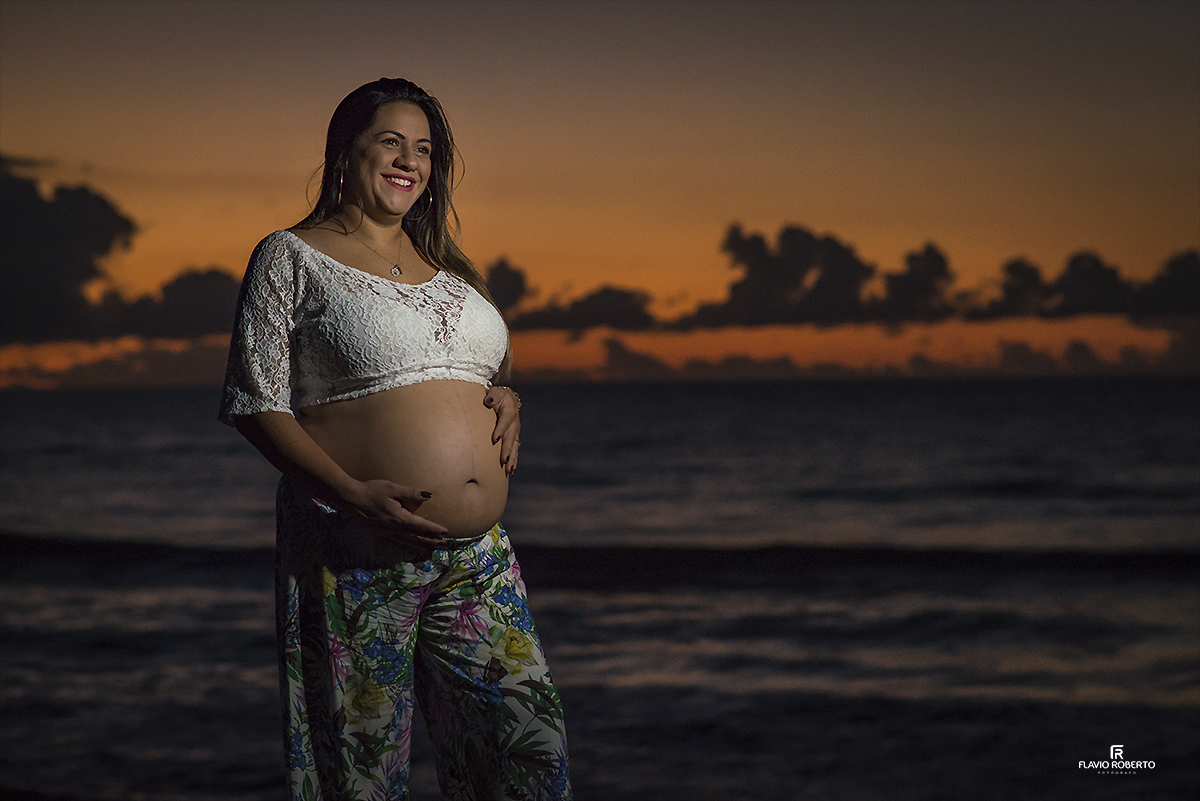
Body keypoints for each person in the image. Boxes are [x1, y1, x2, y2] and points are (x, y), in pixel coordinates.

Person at [219, 78, 571, 800]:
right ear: (345, 152)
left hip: (478, 558)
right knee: (363, 776)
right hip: (359, 548)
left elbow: (475, 372)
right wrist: (350, 495)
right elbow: (256, 402)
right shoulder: (291, 256)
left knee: (530, 752)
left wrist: (506, 396)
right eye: (391, 141)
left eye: (425, 149)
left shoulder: (451, 271)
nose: (409, 160)